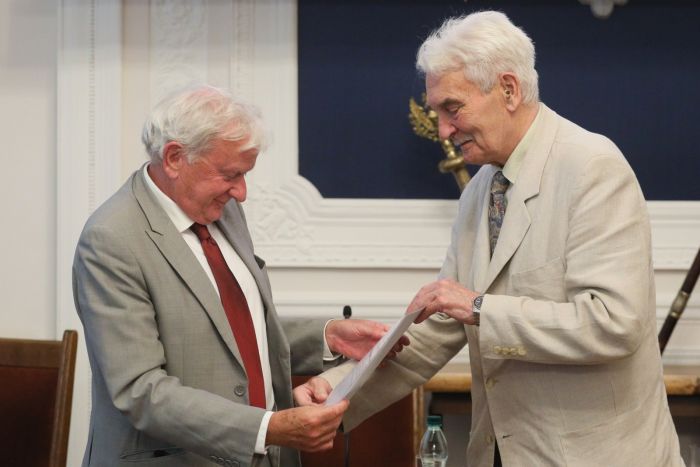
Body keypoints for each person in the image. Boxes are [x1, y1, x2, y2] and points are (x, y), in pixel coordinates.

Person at [296, 11, 684, 467]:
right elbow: (439, 327)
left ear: (509, 89)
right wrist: (339, 393)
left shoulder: (593, 167)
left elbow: (613, 323)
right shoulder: (481, 188)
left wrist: (479, 307)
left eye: (452, 108)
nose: (442, 130)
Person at [72, 85, 407, 467]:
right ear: (175, 157)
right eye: (231, 174)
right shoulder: (112, 239)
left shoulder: (221, 210)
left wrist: (327, 335)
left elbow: (232, 330)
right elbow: (139, 390)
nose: (242, 192)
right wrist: (266, 429)